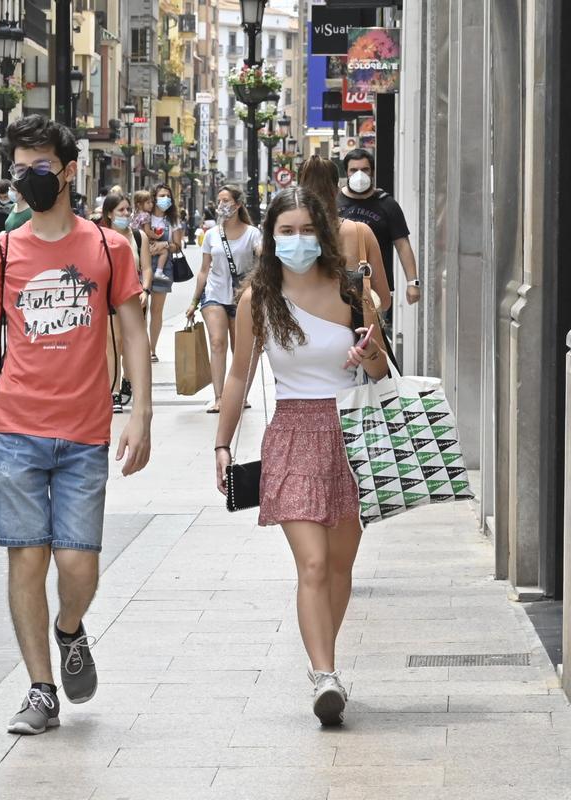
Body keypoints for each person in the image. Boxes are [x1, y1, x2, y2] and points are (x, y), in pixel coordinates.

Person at [0, 115, 152, 736]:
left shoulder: (107, 248)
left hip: (85, 432)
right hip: (13, 428)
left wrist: (141, 413)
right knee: (26, 560)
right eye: (19, 169)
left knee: (77, 566)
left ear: (69, 171)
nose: (27, 179)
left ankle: (70, 628)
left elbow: (132, 332)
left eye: (40, 168)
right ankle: (41, 690)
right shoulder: (1, 252)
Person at [213, 187, 387, 726]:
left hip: (349, 434)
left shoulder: (354, 292)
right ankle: (325, 675)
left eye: (307, 230)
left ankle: (323, 660)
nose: (297, 240)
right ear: (270, 236)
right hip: (290, 434)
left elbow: (381, 372)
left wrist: (372, 353)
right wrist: (222, 443)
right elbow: (240, 374)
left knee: (339, 565)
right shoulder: (257, 301)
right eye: (285, 231)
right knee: (312, 562)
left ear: (324, 234)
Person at [187, 186, 262, 413]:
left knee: (241, 348)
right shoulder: (211, 235)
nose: (221, 205)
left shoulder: (252, 234)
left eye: (226, 200)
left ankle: (240, 396)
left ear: (238, 205)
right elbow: (203, 270)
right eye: (219, 200)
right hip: (215, 294)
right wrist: (194, 301)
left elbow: (262, 256)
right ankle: (219, 397)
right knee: (218, 342)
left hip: (242, 297)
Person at [298, 156, 390, 312]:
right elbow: (383, 301)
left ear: (297, 191)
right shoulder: (361, 232)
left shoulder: (287, 236)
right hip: (353, 332)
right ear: (337, 190)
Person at [337, 148, 420, 314]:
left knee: (375, 338)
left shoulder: (387, 204)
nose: (359, 175)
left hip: (377, 288)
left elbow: (402, 245)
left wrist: (413, 283)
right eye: (353, 170)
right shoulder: (334, 203)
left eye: (364, 169)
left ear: (372, 172)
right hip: (339, 289)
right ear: (346, 172)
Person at [98, 193, 152, 413]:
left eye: (128, 210)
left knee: (131, 343)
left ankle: (128, 377)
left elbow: (146, 268)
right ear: (109, 214)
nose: (126, 214)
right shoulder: (99, 236)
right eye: (121, 210)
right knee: (113, 343)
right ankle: (114, 392)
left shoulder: (139, 237)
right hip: (108, 296)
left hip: (134, 296)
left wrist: (146, 290)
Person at [141, 186, 183, 364]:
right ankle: (140, 347)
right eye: (161, 196)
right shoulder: (144, 217)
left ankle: (152, 349)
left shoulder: (173, 220)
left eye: (168, 196)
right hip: (142, 266)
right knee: (140, 310)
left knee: (156, 311)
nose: (165, 199)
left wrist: (164, 245)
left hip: (163, 268)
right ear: (154, 197)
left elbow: (177, 245)